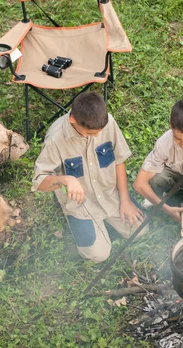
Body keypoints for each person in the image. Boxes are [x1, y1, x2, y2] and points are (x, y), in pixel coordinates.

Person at [32, 92, 146, 263]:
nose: (96, 136)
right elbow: (39, 182)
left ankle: (108, 224)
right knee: (98, 255)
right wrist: (66, 180)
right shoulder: (55, 139)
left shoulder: (107, 122)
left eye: (99, 132)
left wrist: (125, 200)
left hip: (109, 195)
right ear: (73, 121)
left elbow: (119, 161)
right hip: (81, 206)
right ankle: (77, 222)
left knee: (141, 231)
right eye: (91, 133)